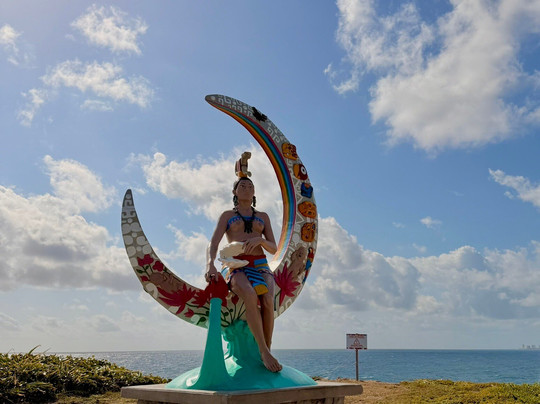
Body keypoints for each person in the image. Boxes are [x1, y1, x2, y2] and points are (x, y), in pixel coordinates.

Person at [205, 175, 282, 373]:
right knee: (249, 293)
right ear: (235, 192)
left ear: (254, 192)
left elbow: (274, 248)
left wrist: (261, 241)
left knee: (268, 298)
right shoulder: (227, 215)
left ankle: (268, 349)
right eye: (242, 186)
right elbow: (214, 243)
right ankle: (263, 351)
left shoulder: (263, 217)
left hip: (260, 264)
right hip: (235, 264)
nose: (247, 188)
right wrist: (210, 264)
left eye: (250, 186)